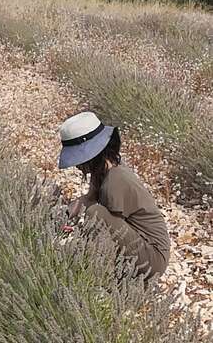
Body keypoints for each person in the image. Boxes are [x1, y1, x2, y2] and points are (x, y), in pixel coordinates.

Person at [58, 111, 170, 279]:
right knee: (90, 210)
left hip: (153, 258)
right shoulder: (107, 168)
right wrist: (68, 212)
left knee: (95, 213)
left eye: (78, 160)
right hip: (144, 246)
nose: (77, 166)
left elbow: (107, 232)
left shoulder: (114, 181)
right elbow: (89, 198)